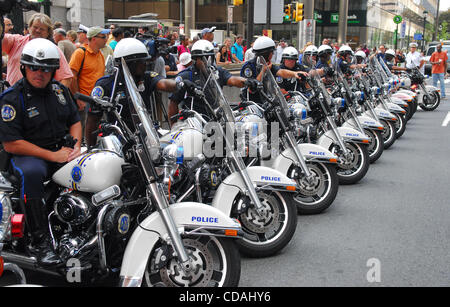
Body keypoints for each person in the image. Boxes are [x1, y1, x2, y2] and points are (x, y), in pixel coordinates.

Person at [0, 38, 81, 266]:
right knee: (32, 173)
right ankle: (40, 241)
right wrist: (53, 156)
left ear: (54, 71)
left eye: (46, 68)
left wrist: (75, 147)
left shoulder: (59, 91)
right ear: (24, 67)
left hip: (61, 150)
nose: (40, 73)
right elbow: (12, 143)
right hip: (28, 155)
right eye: (34, 67)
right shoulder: (12, 98)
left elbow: (75, 120)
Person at [86, 38, 196, 146]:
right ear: (130, 63)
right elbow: (92, 121)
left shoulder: (146, 77)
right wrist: (90, 148)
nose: (145, 64)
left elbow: (163, 83)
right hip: (119, 140)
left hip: (146, 137)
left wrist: (179, 83)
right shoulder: (107, 84)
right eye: (142, 61)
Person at [169, 39, 258, 125]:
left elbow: (232, 80)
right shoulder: (185, 76)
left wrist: (247, 81)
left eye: (209, 58)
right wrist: (174, 126)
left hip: (217, 119)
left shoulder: (217, 71)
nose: (207, 62)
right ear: (195, 59)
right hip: (195, 122)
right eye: (203, 59)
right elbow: (173, 101)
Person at [1, 13, 73, 87]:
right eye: (35, 27)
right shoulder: (16, 41)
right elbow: (1, 37)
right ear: (29, 27)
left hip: (40, 97)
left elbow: (66, 78)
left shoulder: (54, 50)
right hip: (13, 96)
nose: (38, 31)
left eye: (42, 29)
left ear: (48, 32)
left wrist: (55, 96)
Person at [240, 36, 310, 104]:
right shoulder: (249, 67)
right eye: (271, 52)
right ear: (266, 53)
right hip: (252, 104)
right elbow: (252, 89)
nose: (273, 54)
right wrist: (263, 70)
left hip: (265, 101)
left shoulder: (268, 64)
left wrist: (295, 74)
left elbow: (281, 72)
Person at [69, 26, 107, 132]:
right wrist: (78, 99)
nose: (106, 39)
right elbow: (72, 77)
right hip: (84, 102)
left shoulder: (100, 54)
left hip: (98, 102)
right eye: (103, 37)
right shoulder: (80, 53)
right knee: (83, 133)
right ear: (94, 39)